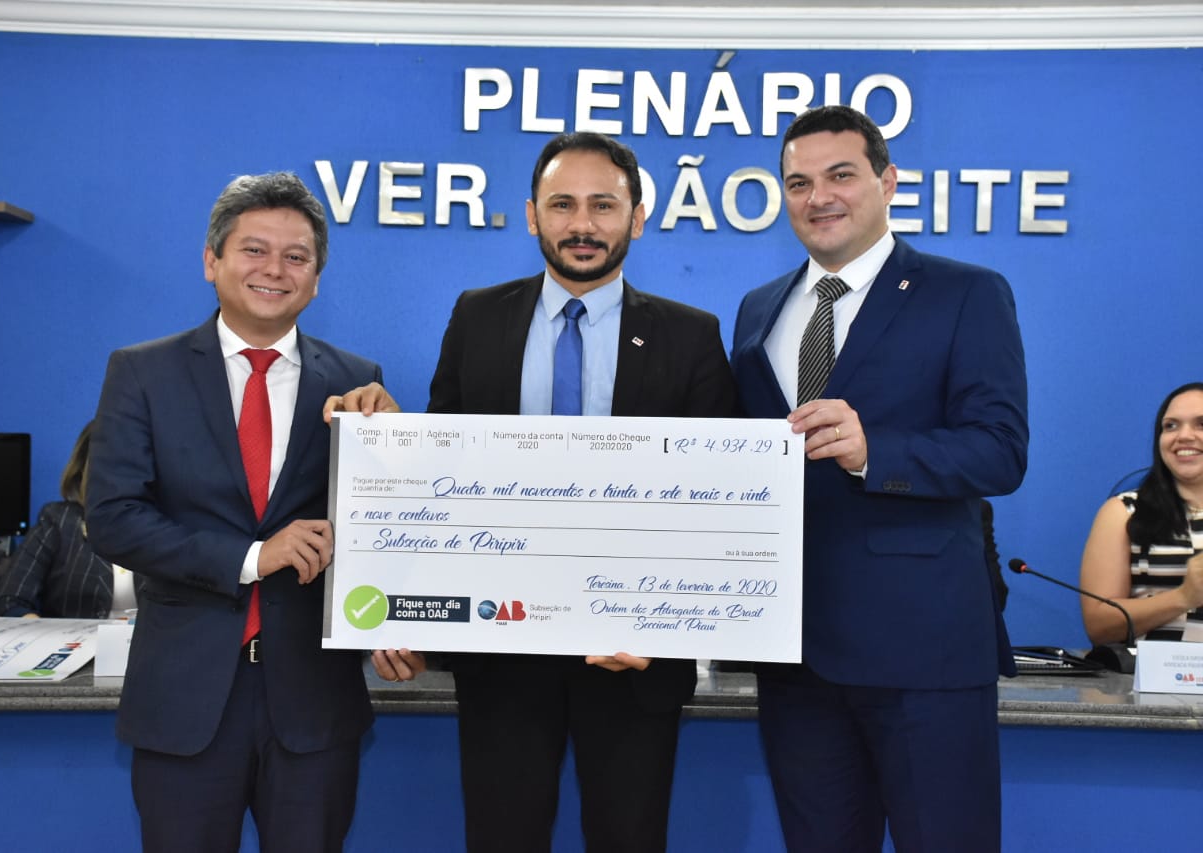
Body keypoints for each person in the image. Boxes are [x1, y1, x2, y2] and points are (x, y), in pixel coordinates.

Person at [357, 132, 736, 853]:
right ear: (532, 215)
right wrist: (404, 606)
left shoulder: (691, 336)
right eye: (563, 205)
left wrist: (663, 626)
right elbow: (442, 483)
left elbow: (712, 501)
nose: (582, 224)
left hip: (633, 656)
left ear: (637, 218)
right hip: (501, 651)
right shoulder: (477, 317)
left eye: (603, 205)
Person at [730, 105, 1028, 853]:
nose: (818, 197)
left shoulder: (966, 293)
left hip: (923, 651)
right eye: (798, 182)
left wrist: (875, 452)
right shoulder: (759, 309)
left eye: (840, 175)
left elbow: (1000, 451)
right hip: (795, 655)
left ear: (887, 182)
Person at [85, 171, 398, 853]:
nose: (274, 270)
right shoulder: (143, 373)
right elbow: (112, 516)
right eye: (254, 250)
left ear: (316, 279)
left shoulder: (357, 381)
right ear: (212, 260)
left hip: (314, 703)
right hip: (185, 700)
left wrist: (395, 452)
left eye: (296, 256)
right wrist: (254, 557)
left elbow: (381, 530)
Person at [1079, 382, 1203, 644]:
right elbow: (1099, 626)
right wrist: (1184, 597)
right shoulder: (1124, 512)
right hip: (1153, 669)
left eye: (1201, 424)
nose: (1184, 436)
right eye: (1171, 426)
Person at [0, 420, 143, 618]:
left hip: (152, 638)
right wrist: (36, 627)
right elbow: (7, 602)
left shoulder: (170, 525)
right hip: (76, 638)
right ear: (83, 469)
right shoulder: (57, 522)